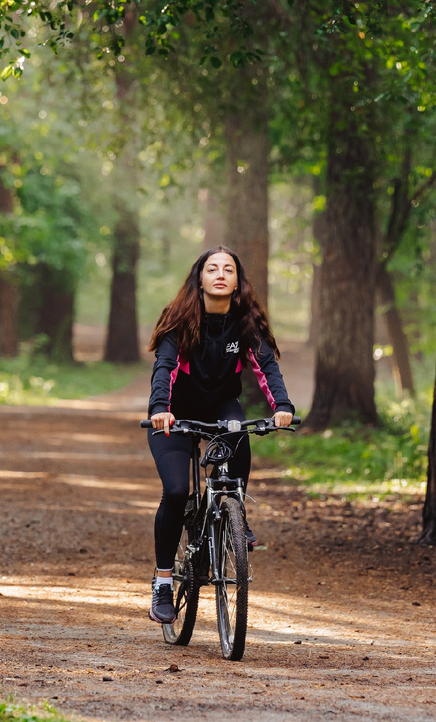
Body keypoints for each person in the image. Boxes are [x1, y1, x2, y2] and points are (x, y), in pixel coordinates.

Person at [145, 246, 294, 624]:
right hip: (174, 414)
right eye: (212, 268)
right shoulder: (179, 319)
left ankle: (234, 516)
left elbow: (266, 368)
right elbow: (164, 368)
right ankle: (163, 582)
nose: (220, 274)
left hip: (220, 407)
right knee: (177, 491)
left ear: (238, 281)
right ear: (200, 278)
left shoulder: (246, 322)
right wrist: (160, 408)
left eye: (229, 269)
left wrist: (282, 406)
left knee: (239, 431)